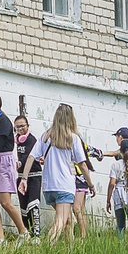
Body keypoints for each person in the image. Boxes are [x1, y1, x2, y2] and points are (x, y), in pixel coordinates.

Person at [39, 104, 90, 243]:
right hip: (64, 185)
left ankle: (70, 251)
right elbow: (83, 164)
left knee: (68, 220)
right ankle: (47, 246)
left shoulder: (47, 136)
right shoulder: (73, 138)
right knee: (61, 221)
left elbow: (36, 155)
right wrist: (90, 184)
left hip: (49, 187)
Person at [0, 93, 26, 240]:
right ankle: (0, 237)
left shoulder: (3, 121)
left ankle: (23, 232)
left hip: (3, 159)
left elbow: (2, 142)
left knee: (5, 202)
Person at [14, 116, 43, 238]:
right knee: (23, 207)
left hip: (34, 176)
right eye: (17, 127)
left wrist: (18, 163)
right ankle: (26, 232)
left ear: (28, 126)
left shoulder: (32, 140)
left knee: (33, 205)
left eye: (22, 126)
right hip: (21, 176)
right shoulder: (16, 141)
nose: (20, 129)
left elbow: (28, 156)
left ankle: (36, 234)